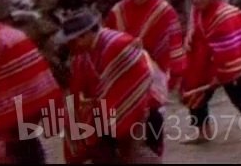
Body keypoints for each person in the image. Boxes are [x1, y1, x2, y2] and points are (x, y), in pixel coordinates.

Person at [57, 11, 165, 164]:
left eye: (74, 40)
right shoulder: (84, 54)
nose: (72, 45)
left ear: (85, 35)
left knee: (136, 154)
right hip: (109, 113)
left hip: (139, 109)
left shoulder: (118, 45)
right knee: (107, 152)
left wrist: (105, 105)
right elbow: (80, 86)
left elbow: (138, 79)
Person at [180, 0, 241, 146]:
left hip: (232, 63)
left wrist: (220, 75)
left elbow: (232, 48)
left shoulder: (225, 15)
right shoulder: (197, 13)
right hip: (205, 62)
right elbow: (196, 38)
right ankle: (203, 132)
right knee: (195, 94)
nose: (196, 0)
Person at [103, 0, 188, 91]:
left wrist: (176, 69)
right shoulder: (118, 11)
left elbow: (174, 40)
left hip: (154, 70)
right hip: (125, 69)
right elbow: (108, 39)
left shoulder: (164, 11)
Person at [0, 20, 62, 166]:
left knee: (14, 146)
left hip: (12, 110)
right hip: (33, 98)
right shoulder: (9, 33)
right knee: (26, 141)